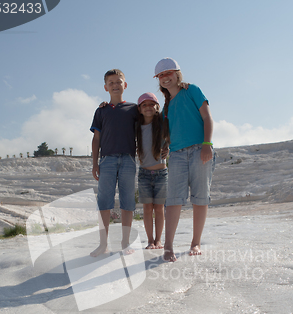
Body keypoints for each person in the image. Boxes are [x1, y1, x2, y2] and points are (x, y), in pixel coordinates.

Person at [154, 57, 216, 262]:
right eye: (161, 75)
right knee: (173, 200)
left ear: (177, 73)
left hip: (200, 150)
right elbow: (168, 132)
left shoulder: (192, 91)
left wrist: (207, 144)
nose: (165, 78)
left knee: (200, 197)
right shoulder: (167, 106)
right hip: (178, 156)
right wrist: (164, 147)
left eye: (168, 73)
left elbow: (207, 117)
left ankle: (195, 242)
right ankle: (169, 246)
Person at [90, 69, 138, 256]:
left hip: (128, 159)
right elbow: (96, 139)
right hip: (107, 160)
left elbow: (149, 123)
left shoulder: (134, 109)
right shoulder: (101, 110)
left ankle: (125, 242)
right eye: (111, 83)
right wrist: (95, 163)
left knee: (127, 202)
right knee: (104, 203)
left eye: (118, 82)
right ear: (105, 87)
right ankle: (103, 244)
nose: (115, 85)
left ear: (125, 85)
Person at [136, 92, 168, 249]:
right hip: (144, 174)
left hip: (161, 173)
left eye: (151, 104)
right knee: (147, 208)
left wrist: (167, 146)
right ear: (139, 109)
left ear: (157, 107)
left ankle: (159, 240)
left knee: (159, 208)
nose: (148, 107)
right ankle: (150, 241)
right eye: (144, 105)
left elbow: (170, 107)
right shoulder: (136, 127)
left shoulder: (161, 124)